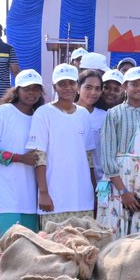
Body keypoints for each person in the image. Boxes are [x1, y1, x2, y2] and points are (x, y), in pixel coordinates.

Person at [0, 69, 44, 240]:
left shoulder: (40, 116)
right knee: (9, 249)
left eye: (36, 88)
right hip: (4, 197)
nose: (32, 93)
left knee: (31, 249)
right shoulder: (4, 112)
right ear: (17, 91)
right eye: (27, 88)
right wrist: (19, 158)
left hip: (30, 198)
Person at [29, 64, 95, 228]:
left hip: (83, 199)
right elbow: (39, 156)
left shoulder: (84, 115)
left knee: (83, 249)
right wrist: (43, 192)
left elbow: (88, 158)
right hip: (54, 199)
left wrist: (93, 191)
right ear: (54, 87)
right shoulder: (43, 113)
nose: (67, 88)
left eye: (71, 83)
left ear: (77, 86)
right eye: (62, 84)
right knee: (54, 250)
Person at [98, 67, 140, 237]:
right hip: (118, 181)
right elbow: (107, 158)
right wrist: (123, 192)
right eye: (134, 84)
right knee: (114, 231)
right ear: (125, 86)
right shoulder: (113, 114)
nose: (139, 88)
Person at [76, 69, 105, 173]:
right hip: (72, 176)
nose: (93, 92)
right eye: (88, 87)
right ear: (78, 88)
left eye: (97, 89)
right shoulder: (65, 114)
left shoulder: (105, 116)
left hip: (100, 180)